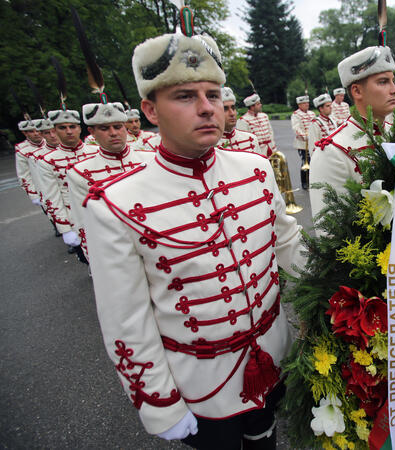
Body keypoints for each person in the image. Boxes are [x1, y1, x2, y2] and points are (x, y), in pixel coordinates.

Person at [83, 22, 305, 450]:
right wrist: (159, 404)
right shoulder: (114, 204)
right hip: (199, 383)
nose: (207, 108)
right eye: (185, 97)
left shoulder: (255, 171)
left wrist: (355, 278)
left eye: (213, 94)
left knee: (265, 438)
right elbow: (126, 321)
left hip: (273, 354)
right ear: (149, 111)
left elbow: (289, 246)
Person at [309, 45, 395, 218]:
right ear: (357, 91)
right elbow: (331, 235)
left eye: (393, 81)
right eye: (383, 82)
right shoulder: (332, 152)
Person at [67, 102, 152, 261]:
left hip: (159, 242)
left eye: (118, 126)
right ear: (92, 132)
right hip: (117, 248)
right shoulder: (79, 173)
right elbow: (84, 222)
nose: (113, 133)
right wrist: (95, 260)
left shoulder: (151, 159)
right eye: (104, 128)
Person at [38, 109, 97, 257]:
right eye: (62, 128)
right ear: (55, 130)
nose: (69, 131)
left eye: (72, 126)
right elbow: (52, 197)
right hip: (75, 217)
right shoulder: (47, 161)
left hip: (103, 212)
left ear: (79, 128)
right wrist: (65, 229)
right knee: (89, 258)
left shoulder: (96, 151)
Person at [219, 87, 261, 155]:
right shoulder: (208, 146)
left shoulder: (252, 139)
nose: (232, 113)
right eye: (225, 109)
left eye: (233, 108)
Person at [236, 93, 277, 158]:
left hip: (270, 149)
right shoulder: (243, 120)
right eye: (258, 104)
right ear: (252, 107)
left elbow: (270, 132)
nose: (261, 105)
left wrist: (273, 147)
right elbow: (244, 141)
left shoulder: (264, 116)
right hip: (257, 152)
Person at [14, 118, 44, 204]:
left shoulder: (51, 143)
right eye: (31, 131)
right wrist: (34, 195)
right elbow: (24, 176)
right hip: (42, 191)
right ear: (25, 133)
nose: (36, 134)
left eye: (38, 131)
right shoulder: (22, 150)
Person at [290, 95, 316, 190]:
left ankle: (312, 180)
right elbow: (296, 128)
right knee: (305, 162)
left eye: (307, 103)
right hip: (302, 143)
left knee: (313, 161)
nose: (307, 104)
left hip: (313, 142)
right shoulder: (296, 115)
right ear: (299, 105)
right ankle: (305, 182)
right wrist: (305, 136)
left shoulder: (312, 114)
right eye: (304, 103)